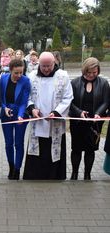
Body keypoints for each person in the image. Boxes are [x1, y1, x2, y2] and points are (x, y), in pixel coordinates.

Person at [23, 52, 73, 180]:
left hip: (54, 122)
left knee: (54, 151)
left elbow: (68, 97)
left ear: (54, 63)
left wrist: (56, 112)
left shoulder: (63, 76)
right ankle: (34, 177)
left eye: (48, 66)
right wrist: (32, 108)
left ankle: (55, 177)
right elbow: (26, 96)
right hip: (38, 122)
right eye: (43, 66)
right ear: (39, 63)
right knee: (37, 152)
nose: (45, 69)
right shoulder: (32, 76)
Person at [69, 57, 109, 180]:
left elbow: (106, 101)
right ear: (84, 70)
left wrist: (98, 113)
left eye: (94, 72)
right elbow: (69, 102)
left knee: (90, 149)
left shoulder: (103, 83)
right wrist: (79, 112)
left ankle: (87, 175)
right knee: (76, 148)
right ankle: (74, 174)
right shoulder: (74, 83)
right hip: (78, 121)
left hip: (95, 122)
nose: (91, 75)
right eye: (89, 72)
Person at [0, 59, 31, 180]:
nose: (18, 75)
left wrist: (21, 115)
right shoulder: (3, 79)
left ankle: (17, 169)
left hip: (20, 115)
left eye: (21, 73)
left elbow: (24, 101)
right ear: (10, 70)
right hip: (6, 114)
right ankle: (11, 166)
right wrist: (4, 108)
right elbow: (0, 98)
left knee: (18, 143)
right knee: (8, 143)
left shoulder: (26, 81)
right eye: (16, 73)